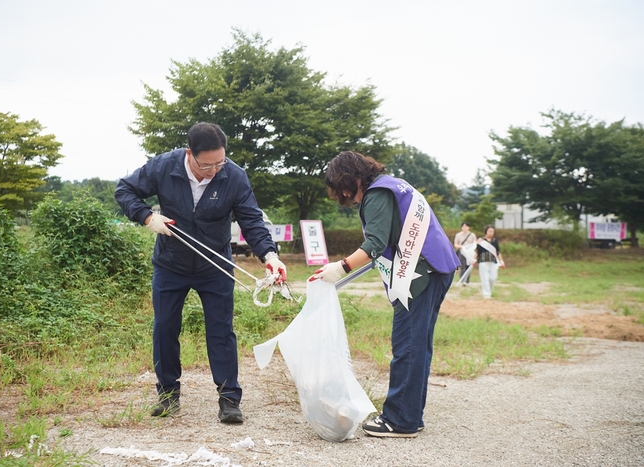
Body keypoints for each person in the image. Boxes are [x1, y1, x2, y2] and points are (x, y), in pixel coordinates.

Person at [115, 122, 287, 423]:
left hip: (216, 265)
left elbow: (252, 220)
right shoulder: (164, 166)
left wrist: (269, 255)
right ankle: (168, 394)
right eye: (207, 165)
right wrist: (146, 217)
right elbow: (125, 189)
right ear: (189, 154)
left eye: (220, 162)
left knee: (221, 331)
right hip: (171, 264)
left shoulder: (233, 176)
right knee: (165, 327)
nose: (214, 170)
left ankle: (229, 399)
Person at [309, 151, 459, 438]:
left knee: (408, 345)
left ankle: (400, 420)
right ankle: (411, 414)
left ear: (352, 178)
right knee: (419, 345)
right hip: (439, 268)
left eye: (343, 187)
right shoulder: (395, 185)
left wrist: (340, 268)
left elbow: (375, 243)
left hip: (421, 275)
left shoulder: (377, 193)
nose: (345, 195)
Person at [472, 225, 505, 299]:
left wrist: (501, 261)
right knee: (485, 278)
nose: (491, 233)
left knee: (493, 278)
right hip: (483, 261)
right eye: (489, 231)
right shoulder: (481, 241)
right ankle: (486, 295)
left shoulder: (495, 241)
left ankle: (488, 290)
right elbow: (477, 251)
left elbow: (498, 252)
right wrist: (473, 259)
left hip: (493, 261)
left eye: (492, 231)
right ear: (486, 231)